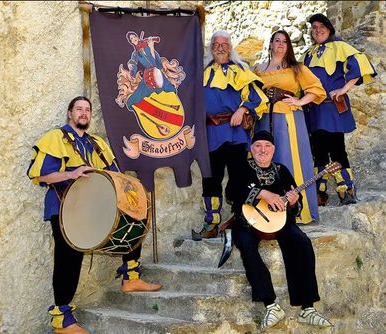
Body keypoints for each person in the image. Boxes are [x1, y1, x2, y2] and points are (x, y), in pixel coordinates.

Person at [27, 96, 161, 334]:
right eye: (79, 109)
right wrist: (72, 174)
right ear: (70, 114)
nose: (84, 113)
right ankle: (62, 320)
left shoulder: (96, 142)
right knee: (69, 258)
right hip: (64, 206)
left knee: (133, 216)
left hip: (94, 206)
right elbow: (39, 175)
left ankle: (131, 277)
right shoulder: (55, 138)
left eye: (87, 110)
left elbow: (113, 174)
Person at [226, 130, 332, 330]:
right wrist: (262, 193)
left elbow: (294, 204)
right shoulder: (241, 167)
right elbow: (231, 193)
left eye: (267, 146)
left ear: (273, 150)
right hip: (247, 222)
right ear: (251, 148)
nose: (262, 150)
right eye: (258, 146)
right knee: (246, 244)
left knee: (301, 242)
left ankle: (307, 308)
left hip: (280, 222)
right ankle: (271, 305)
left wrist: (293, 201)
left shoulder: (281, 170)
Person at [191, 30, 268, 240]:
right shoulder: (202, 72)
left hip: (235, 133)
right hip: (210, 133)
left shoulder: (241, 70)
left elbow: (259, 99)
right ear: (211, 47)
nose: (220, 47)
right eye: (216, 43)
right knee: (211, 178)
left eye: (224, 43)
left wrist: (242, 110)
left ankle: (241, 220)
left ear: (230, 47)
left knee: (239, 177)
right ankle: (212, 222)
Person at [302, 14, 377, 206]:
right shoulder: (309, 53)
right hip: (314, 110)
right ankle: (320, 193)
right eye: (314, 27)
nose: (317, 30)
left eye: (321, 26)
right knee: (318, 151)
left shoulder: (340, 46)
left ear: (329, 28)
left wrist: (344, 89)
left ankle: (346, 190)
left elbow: (360, 64)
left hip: (332, 108)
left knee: (336, 149)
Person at [253, 30, 326, 224]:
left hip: (287, 119)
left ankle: (298, 212)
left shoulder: (296, 68)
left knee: (287, 160)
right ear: (270, 44)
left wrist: (300, 101)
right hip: (263, 119)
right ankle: (266, 211)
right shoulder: (258, 69)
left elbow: (317, 89)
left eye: (285, 42)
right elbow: (250, 92)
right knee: (264, 162)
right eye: (277, 40)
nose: (281, 44)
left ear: (289, 46)